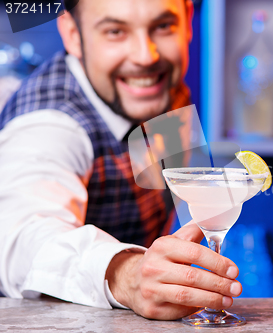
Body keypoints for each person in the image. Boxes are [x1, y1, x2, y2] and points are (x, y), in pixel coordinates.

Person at [0, 0, 242, 320]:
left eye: (163, 26)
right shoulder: (50, 123)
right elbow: (20, 238)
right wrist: (125, 275)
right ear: (73, 34)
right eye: (115, 31)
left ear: (187, 21)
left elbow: (185, 217)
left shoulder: (162, 89)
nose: (146, 56)